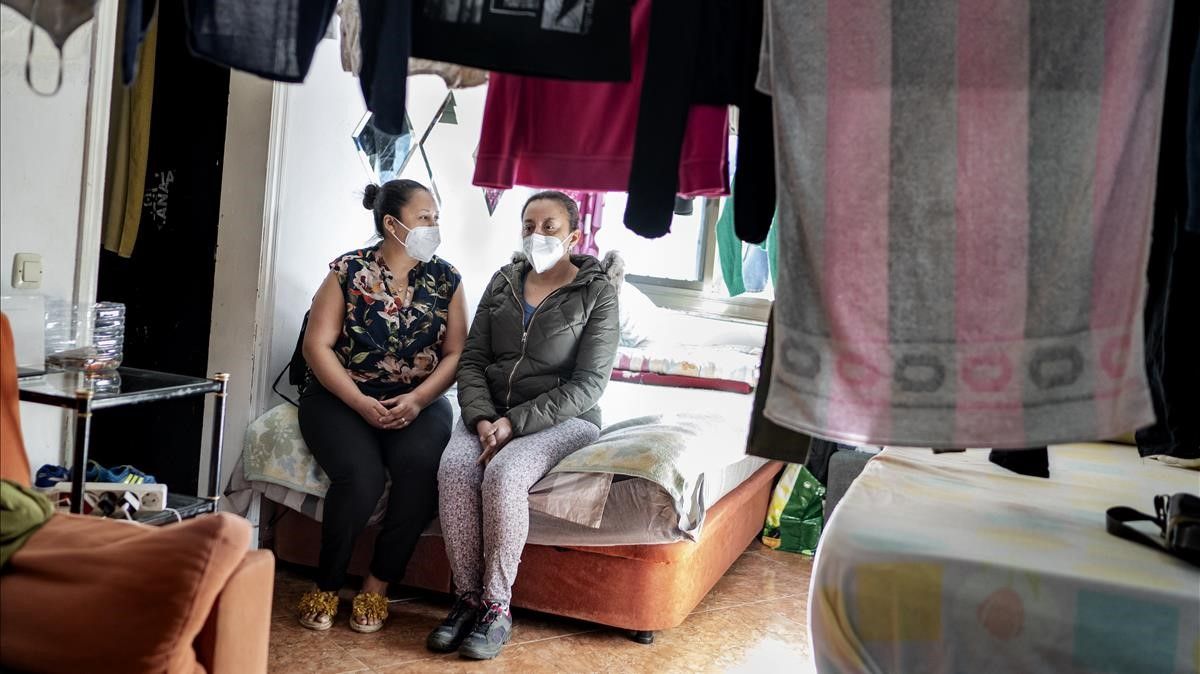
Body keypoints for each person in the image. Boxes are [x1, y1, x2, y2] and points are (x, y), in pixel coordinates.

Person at [427, 191, 621, 660]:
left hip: (565, 418)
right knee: (454, 471)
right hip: (488, 414)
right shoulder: (503, 282)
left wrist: (514, 423)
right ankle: (466, 599)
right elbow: (472, 359)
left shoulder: (597, 293)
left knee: (505, 475)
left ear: (574, 236)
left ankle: (496, 607)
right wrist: (480, 417)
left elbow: (589, 384)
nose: (537, 235)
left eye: (550, 226)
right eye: (529, 225)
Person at [296, 179, 467, 633]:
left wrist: (418, 399)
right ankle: (327, 584)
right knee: (362, 477)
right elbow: (318, 346)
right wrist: (357, 402)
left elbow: (455, 353)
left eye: (436, 217)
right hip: (339, 396)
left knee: (418, 469)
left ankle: (377, 586)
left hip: (419, 399)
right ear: (392, 224)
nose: (434, 225)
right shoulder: (348, 271)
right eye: (424, 217)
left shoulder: (446, 278)